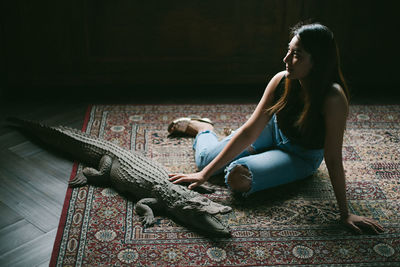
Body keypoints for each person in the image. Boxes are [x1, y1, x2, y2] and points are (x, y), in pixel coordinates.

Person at [168, 22, 384, 234]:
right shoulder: (281, 80)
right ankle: (202, 128)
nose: (286, 59)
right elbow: (248, 131)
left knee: (237, 178)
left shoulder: (333, 98)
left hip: (301, 155)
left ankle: (255, 156)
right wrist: (204, 174)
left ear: (317, 61)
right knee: (206, 161)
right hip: (274, 131)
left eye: (297, 54)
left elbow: (334, 158)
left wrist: (345, 213)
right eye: (288, 50)